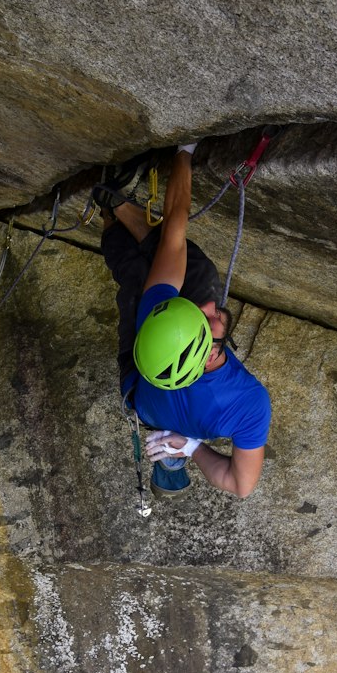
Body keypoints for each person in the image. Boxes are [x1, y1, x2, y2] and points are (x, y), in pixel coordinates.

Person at [97, 145, 271, 499]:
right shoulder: (244, 404)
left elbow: (175, 224)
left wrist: (185, 151)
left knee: (136, 276)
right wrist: (191, 447)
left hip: (143, 364)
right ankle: (111, 206)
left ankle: (109, 210)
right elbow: (240, 485)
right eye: (208, 316)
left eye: (202, 317)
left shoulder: (249, 402)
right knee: (188, 271)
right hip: (150, 384)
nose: (208, 305)